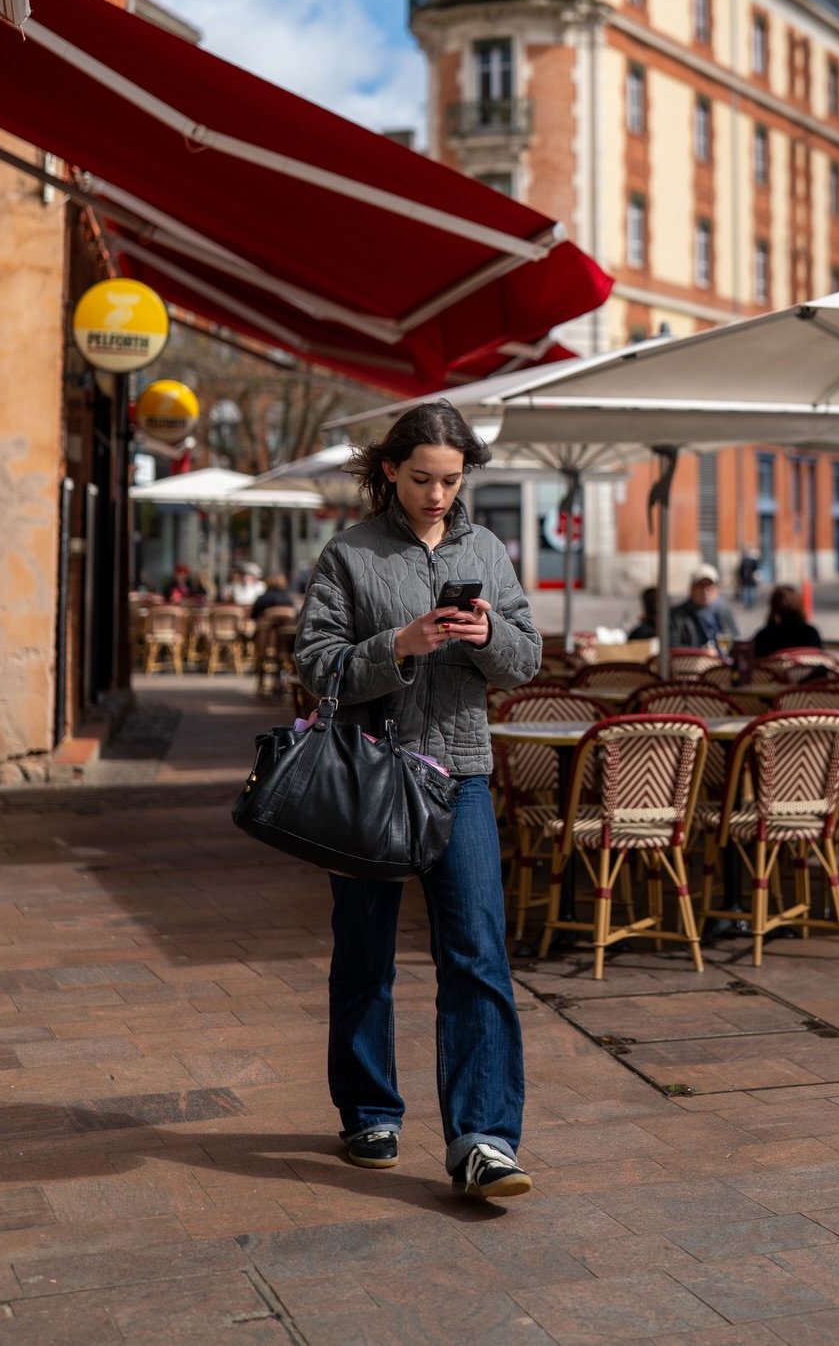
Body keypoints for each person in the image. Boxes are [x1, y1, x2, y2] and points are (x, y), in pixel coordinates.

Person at [294, 401, 541, 1200]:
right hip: (369, 775)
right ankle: (369, 1108)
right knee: (364, 953)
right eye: (424, 477)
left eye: (452, 479)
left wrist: (485, 637)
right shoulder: (350, 554)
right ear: (392, 469)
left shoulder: (489, 550)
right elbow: (318, 666)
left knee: (477, 954)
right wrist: (397, 647)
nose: (439, 494)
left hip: (461, 773)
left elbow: (525, 660)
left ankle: (485, 1139)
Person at [669, 563, 739, 650]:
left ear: (716, 589)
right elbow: (673, 645)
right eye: (701, 586)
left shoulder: (723, 610)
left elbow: (735, 638)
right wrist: (701, 653)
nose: (705, 591)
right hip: (690, 661)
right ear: (691, 588)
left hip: (722, 660)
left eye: (709, 587)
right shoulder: (677, 615)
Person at [752, 584, 824, 660]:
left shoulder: (764, 636)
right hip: (806, 671)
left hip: (772, 671)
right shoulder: (811, 633)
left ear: (773, 606)